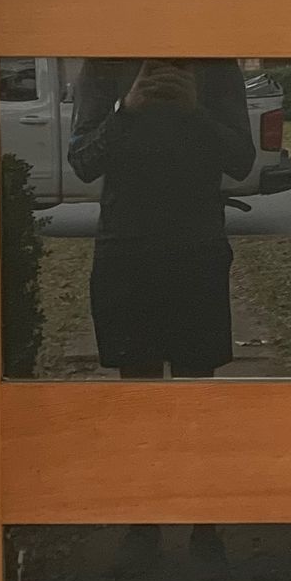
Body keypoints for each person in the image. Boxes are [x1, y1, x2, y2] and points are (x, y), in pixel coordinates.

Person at [67, 58, 254, 378]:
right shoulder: (105, 63)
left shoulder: (215, 64)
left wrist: (195, 111)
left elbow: (240, 161)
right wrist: (126, 109)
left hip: (196, 249)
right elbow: (84, 162)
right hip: (127, 250)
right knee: (138, 392)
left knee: (196, 393)